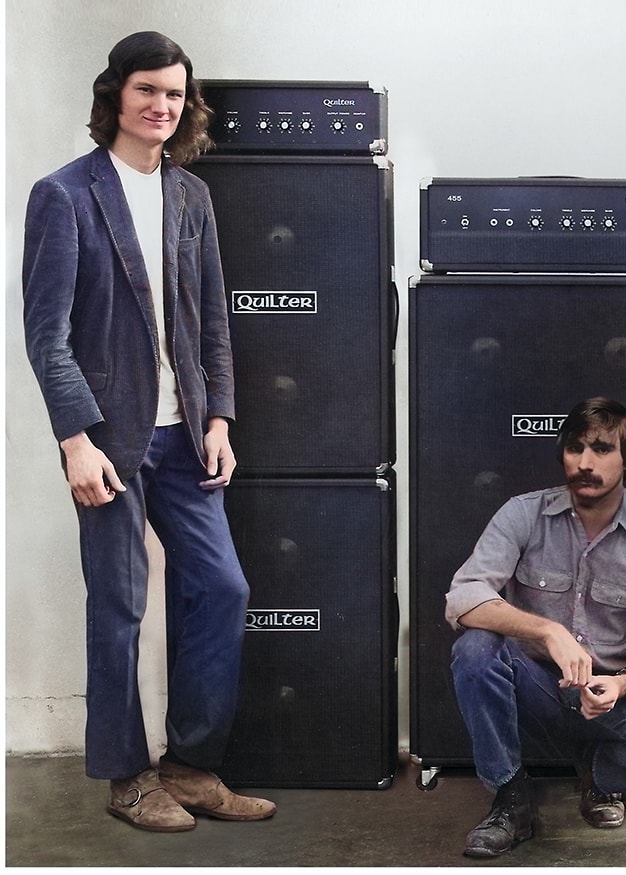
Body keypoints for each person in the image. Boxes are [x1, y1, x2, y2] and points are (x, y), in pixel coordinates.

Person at [22, 31, 275, 832]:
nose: (162, 106)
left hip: (185, 434)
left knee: (223, 587)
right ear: (115, 97)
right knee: (121, 604)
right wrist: (75, 440)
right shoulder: (63, 195)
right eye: (147, 91)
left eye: (174, 93)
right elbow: (45, 335)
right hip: (110, 440)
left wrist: (220, 417)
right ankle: (127, 777)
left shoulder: (191, 196)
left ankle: (192, 765)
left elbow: (213, 324)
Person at [445, 397, 626, 857]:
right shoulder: (522, 514)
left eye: (602, 449)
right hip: (533, 687)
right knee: (475, 647)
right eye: (575, 447)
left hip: (608, 696)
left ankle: (598, 777)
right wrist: (549, 632)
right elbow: (463, 597)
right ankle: (511, 798)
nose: (584, 463)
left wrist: (623, 683)